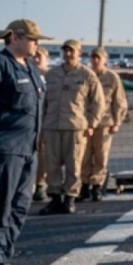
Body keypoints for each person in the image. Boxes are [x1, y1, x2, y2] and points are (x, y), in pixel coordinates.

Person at [0, 20, 49, 265]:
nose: (37, 43)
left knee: (19, 207)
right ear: (14, 38)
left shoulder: (32, 68)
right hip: (6, 149)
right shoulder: (0, 65)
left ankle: (3, 257)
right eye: (32, 38)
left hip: (28, 150)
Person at [41, 39, 105, 215]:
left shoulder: (87, 75)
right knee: (51, 164)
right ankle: (55, 198)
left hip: (75, 127)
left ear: (79, 53)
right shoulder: (51, 75)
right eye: (66, 51)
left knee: (74, 165)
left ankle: (70, 198)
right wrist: (41, 124)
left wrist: (91, 123)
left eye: (72, 51)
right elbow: (43, 102)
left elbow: (98, 103)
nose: (68, 54)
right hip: (52, 126)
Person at [79, 47, 128, 202]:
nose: (95, 61)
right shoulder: (85, 75)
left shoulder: (112, 78)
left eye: (98, 58)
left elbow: (119, 101)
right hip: (86, 123)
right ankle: (84, 185)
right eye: (93, 58)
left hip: (105, 122)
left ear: (104, 59)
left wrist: (117, 121)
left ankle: (97, 186)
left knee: (101, 156)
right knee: (84, 156)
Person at [31, 48, 50, 202]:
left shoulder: (53, 76)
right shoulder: (28, 73)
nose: (36, 59)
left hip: (47, 122)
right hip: (29, 122)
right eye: (34, 56)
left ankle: (41, 185)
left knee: (44, 156)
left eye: (39, 57)